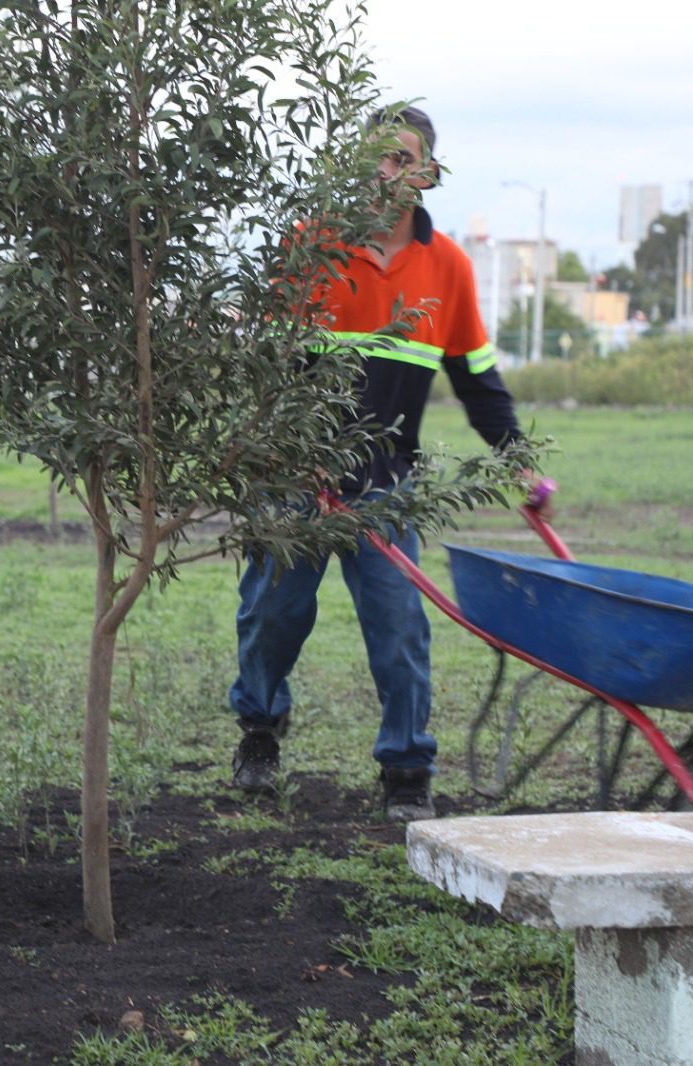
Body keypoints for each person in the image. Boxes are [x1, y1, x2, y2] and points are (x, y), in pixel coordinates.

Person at [226, 105, 553, 820]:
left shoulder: (450, 268)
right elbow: (268, 370)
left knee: (400, 626)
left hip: (385, 488)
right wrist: (286, 455)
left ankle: (406, 769)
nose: (385, 172)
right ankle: (260, 728)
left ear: (429, 174)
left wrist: (521, 467)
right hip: (294, 481)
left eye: (401, 160)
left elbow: (480, 386)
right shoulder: (308, 246)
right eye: (374, 157)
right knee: (272, 613)